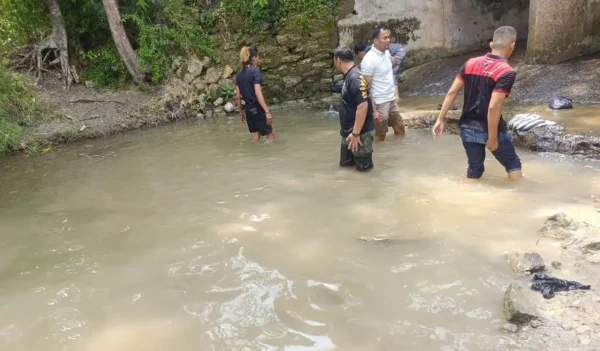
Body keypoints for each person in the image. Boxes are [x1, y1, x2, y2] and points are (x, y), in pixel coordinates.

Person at [433, 26, 522, 181]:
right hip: (490, 130)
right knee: (512, 163)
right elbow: (494, 106)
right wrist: (493, 138)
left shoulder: (470, 63)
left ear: (491, 45)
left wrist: (440, 119)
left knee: (475, 168)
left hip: (467, 127)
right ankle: (523, 198)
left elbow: (452, 92)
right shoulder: (506, 71)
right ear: (512, 46)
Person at [359, 27, 405, 142]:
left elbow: (386, 56)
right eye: (385, 38)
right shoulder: (369, 60)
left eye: (389, 37)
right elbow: (365, 88)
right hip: (379, 103)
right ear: (375, 41)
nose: (388, 40)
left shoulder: (386, 51)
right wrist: (374, 110)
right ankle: (379, 156)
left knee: (400, 127)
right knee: (380, 135)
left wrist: (389, 56)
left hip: (391, 100)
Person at [334, 46, 375, 172]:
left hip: (359, 133)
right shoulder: (350, 76)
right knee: (347, 168)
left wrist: (356, 133)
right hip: (349, 132)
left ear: (338, 61)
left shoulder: (354, 78)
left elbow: (362, 105)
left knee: (364, 170)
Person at [235, 46, 274, 142]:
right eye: (258, 57)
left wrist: (241, 113)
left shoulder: (239, 74)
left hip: (249, 110)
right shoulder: (255, 71)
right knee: (270, 135)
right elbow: (257, 92)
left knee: (257, 134)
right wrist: (267, 111)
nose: (259, 59)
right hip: (257, 107)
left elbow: (237, 96)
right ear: (253, 58)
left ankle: (254, 155)